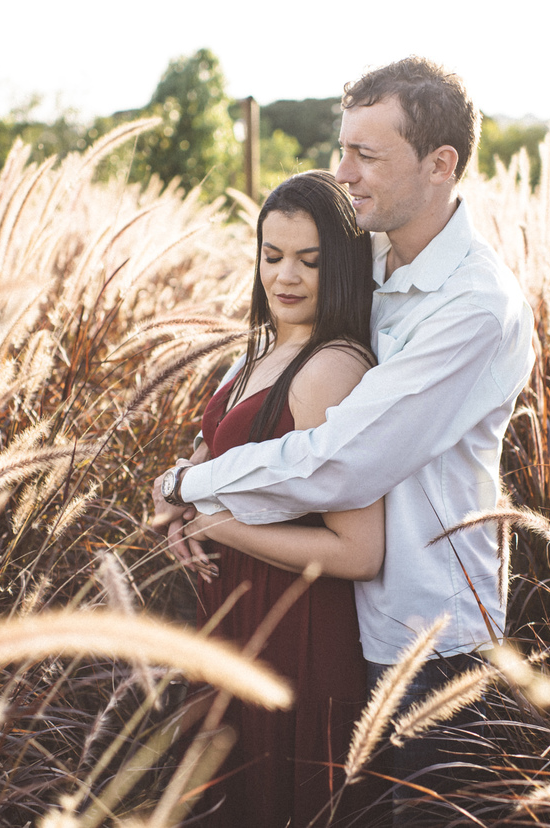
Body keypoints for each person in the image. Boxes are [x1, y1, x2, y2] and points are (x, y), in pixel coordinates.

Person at [155, 57, 536, 822]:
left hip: (423, 638)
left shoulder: (472, 306)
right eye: (343, 149)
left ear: (440, 164)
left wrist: (191, 491)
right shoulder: (365, 258)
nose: (344, 172)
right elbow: (277, 361)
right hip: (326, 616)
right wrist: (197, 460)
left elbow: (343, 462)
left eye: (367, 154)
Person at [163, 170, 387, 828]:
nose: (285, 276)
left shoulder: (331, 368)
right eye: (272, 255)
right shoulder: (264, 349)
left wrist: (217, 527)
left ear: (341, 265)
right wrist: (179, 497)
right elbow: (215, 457)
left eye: (309, 261)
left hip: (294, 625)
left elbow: (359, 551)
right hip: (234, 610)